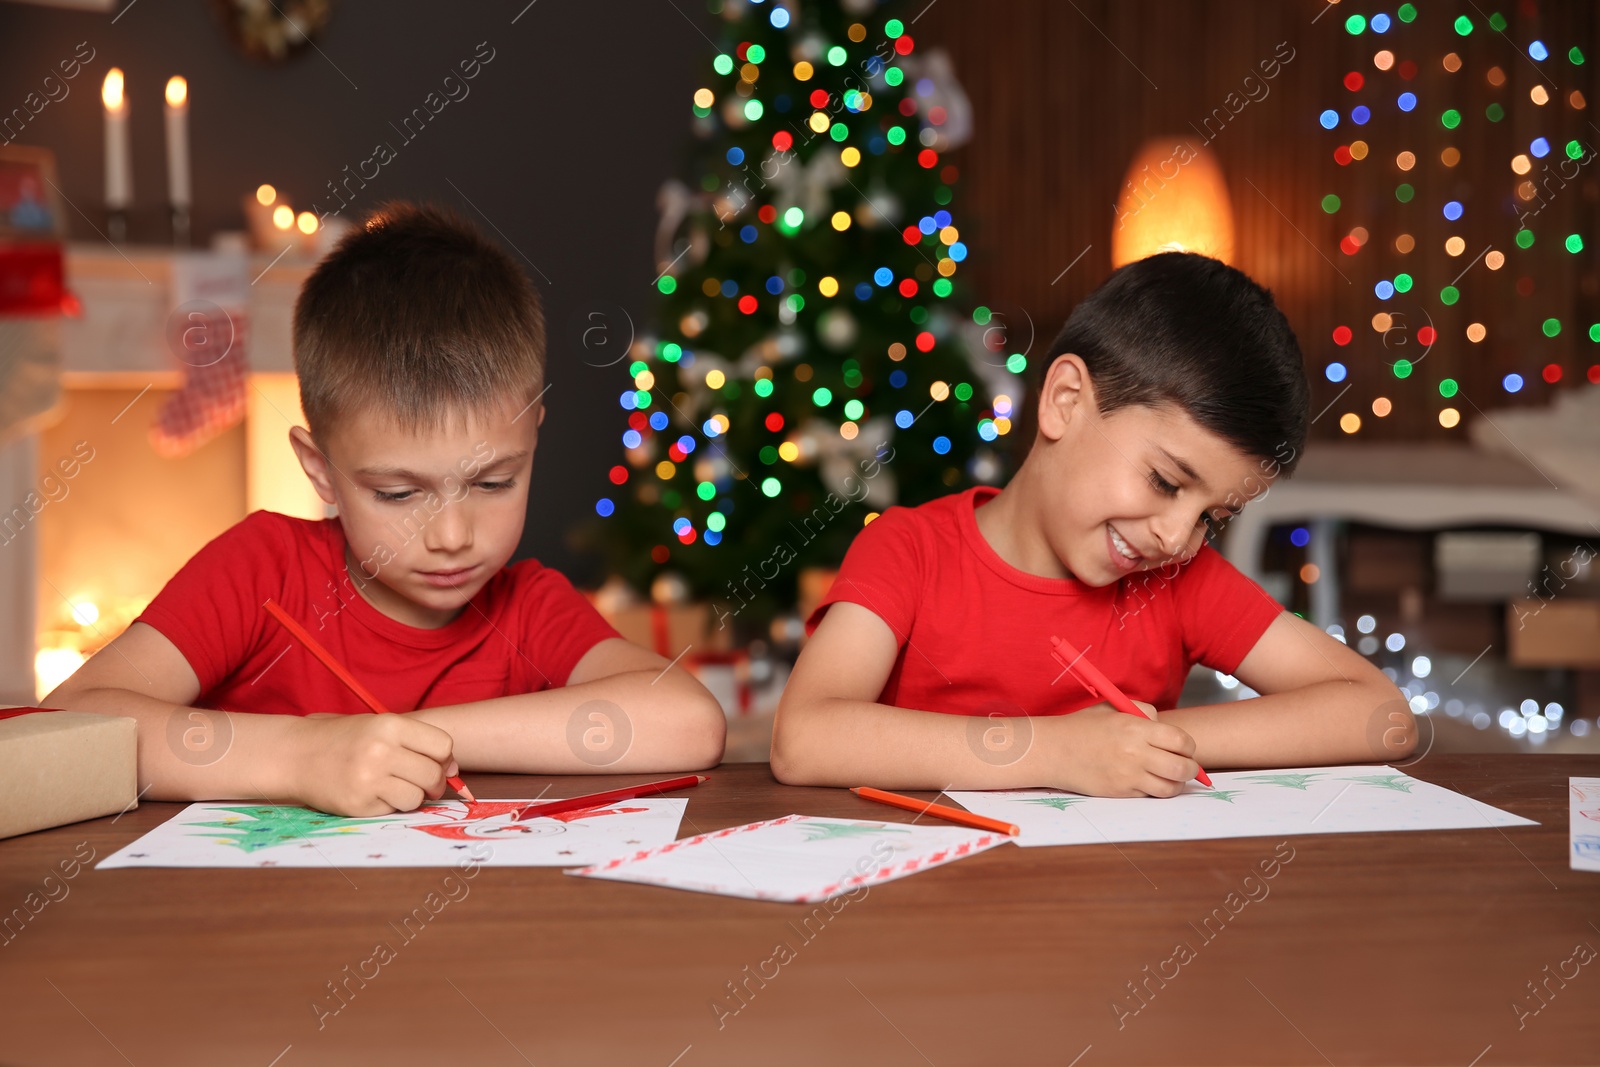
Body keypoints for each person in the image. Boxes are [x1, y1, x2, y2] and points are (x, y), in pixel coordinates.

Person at [49, 203, 725, 816]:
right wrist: (304, 755)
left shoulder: (528, 605)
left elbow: (689, 722)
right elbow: (72, 723)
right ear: (321, 470)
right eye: (400, 494)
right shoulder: (261, 572)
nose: (454, 537)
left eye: (493, 482)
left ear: (532, 436)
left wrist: (413, 739)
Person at [771, 252, 1413, 797]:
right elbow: (803, 739)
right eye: (1166, 482)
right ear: (1065, 402)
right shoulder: (909, 550)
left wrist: (1150, 744)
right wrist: (1054, 752)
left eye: (1213, 518)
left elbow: (1380, 714)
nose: (1176, 537)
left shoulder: (1178, 580)